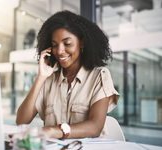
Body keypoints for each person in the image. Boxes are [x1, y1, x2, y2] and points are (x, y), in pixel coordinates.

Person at [16, 10, 120, 139]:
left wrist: (52, 131)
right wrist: (41, 77)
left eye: (67, 43)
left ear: (82, 42)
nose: (59, 51)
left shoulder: (99, 76)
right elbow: (21, 121)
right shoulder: (48, 80)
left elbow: (95, 127)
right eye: (54, 45)